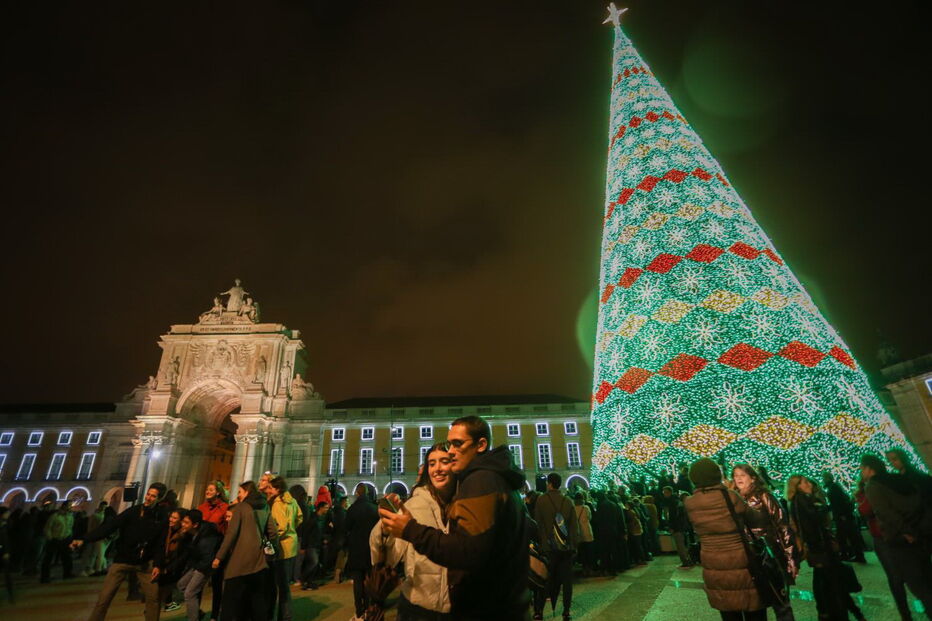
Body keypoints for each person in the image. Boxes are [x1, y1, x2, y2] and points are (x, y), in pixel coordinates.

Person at [379, 415, 529, 621]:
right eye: (450, 444)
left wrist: (410, 529)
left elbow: (465, 552)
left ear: (481, 444)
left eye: (457, 444)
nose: (451, 451)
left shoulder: (481, 481)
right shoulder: (496, 479)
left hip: (488, 610)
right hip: (501, 606)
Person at [370, 442, 455, 620]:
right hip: (418, 606)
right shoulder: (414, 506)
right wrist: (385, 532)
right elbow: (390, 556)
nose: (437, 469)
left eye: (444, 461)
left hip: (460, 608)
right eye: (432, 463)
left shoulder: (468, 504)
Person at [683, 458, 765, 621]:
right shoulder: (730, 496)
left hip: (712, 561)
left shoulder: (690, 503)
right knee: (753, 608)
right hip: (740, 559)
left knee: (728, 609)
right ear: (717, 474)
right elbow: (755, 520)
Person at [72, 482, 168, 621]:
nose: (148, 498)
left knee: (153, 599)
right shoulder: (133, 511)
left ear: (159, 499)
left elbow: (160, 543)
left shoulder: (161, 517)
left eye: (153, 496)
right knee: (104, 598)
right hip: (123, 560)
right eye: (148, 494)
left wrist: (158, 564)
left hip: (145, 563)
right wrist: (84, 539)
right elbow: (109, 527)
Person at [860, 454, 932, 619]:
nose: (861, 472)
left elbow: (885, 513)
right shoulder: (897, 479)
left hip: (901, 540)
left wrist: (907, 531)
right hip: (919, 535)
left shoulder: (873, 486)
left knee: (918, 585)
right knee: (927, 577)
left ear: (869, 469)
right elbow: (918, 503)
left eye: (862, 468)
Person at [787, 474, 864, 621]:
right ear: (797, 487)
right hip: (821, 549)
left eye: (807, 481)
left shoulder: (803, 500)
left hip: (820, 548)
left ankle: (832, 612)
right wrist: (822, 509)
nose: (808, 483)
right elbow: (812, 524)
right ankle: (843, 612)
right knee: (833, 582)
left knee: (827, 581)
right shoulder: (803, 500)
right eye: (804, 482)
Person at [732, 464, 797, 621]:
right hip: (748, 557)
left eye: (742, 475)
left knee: (780, 601)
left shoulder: (764, 496)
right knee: (755, 603)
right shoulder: (733, 500)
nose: (738, 478)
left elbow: (782, 525)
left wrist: (790, 557)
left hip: (769, 554)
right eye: (736, 475)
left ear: (752, 478)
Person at [212, 481, 276, 621]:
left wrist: (219, 557)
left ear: (247, 492)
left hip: (239, 562)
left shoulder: (241, 507)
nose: (239, 495)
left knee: (230, 602)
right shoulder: (265, 506)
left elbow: (231, 534)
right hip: (259, 561)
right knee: (257, 600)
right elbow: (273, 532)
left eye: (240, 492)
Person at [533, 472, 578, 621]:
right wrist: (573, 545)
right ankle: (566, 611)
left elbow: (538, 523)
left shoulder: (542, 500)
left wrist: (543, 541)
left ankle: (539, 610)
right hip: (566, 548)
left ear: (549, 483)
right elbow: (574, 527)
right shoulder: (568, 501)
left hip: (548, 548)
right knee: (567, 581)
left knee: (545, 579)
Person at [265, 476, 302, 621]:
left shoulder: (278, 503)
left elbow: (280, 527)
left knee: (280, 586)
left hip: (281, 547)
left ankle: (284, 617)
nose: (269, 490)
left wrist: (272, 542)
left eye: (271, 488)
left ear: (277, 489)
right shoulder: (292, 500)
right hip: (291, 545)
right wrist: (293, 529)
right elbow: (299, 517)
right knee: (284, 584)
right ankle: (284, 616)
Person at [176, 509, 220, 621]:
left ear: (195, 525)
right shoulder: (191, 534)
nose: (183, 525)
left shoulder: (206, 537)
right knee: (181, 585)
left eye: (186, 523)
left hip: (206, 566)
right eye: (183, 521)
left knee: (189, 593)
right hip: (198, 564)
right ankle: (196, 612)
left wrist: (197, 571)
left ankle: (193, 618)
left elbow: (207, 558)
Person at [345, 484, 379, 621]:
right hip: (371, 548)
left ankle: (359, 610)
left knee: (358, 581)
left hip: (356, 549)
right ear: (367, 493)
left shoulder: (352, 509)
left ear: (358, 493)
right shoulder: (374, 509)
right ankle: (370, 607)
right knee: (369, 579)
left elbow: (347, 527)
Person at [197, 481, 229, 621]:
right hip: (201, 551)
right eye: (207, 489)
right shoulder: (201, 508)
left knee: (216, 585)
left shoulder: (224, 508)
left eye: (211, 489)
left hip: (216, 550)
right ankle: (196, 612)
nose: (207, 491)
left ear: (218, 492)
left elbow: (227, 530)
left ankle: (215, 615)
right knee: (196, 585)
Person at [153, 508, 191, 613]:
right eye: (171, 517)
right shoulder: (165, 529)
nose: (171, 519)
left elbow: (182, 555)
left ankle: (164, 604)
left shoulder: (184, 535)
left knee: (166, 586)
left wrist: (169, 568)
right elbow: (160, 546)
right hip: (162, 563)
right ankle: (157, 606)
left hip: (173, 566)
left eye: (175, 518)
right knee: (159, 588)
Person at [822, 471, 865, 563]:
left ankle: (849, 554)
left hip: (842, 515)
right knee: (849, 536)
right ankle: (854, 554)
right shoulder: (835, 487)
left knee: (844, 536)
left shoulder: (832, 488)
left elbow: (837, 503)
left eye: (824, 478)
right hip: (844, 515)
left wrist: (841, 514)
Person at [40, 501, 74, 583]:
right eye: (69, 505)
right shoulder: (55, 516)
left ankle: (67, 573)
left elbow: (70, 527)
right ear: (64, 506)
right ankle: (45, 577)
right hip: (55, 539)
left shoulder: (70, 516)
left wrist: (69, 536)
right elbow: (48, 528)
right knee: (48, 559)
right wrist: (50, 538)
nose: (71, 507)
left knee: (67, 557)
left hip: (65, 539)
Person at [660, 486, 693, 569]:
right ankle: (688, 560)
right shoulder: (677, 501)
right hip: (682, 526)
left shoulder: (672, 502)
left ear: (670, 492)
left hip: (677, 527)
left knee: (680, 545)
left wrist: (672, 527)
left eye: (665, 492)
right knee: (683, 544)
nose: (664, 494)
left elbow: (673, 517)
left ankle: (685, 562)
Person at [84, 502, 110, 577]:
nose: (103, 508)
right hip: (94, 535)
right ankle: (90, 568)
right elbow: (90, 526)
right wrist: (89, 534)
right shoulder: (95, 515)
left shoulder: (105, 516)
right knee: (93, 553)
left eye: (105, 507)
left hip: (100, 536)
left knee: (98, 553)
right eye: (102, 507)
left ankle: (97, 568)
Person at [573, 493, 595, 576]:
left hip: (579, 533)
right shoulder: (586, 508)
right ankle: (590, 569)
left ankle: (584, 568)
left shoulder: (573, 508)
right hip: (587, 531)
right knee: (589, 551)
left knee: (582, 552)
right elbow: (590, 517)